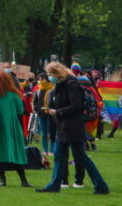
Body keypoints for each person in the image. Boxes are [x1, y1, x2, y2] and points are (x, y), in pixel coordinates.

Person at [37, 62, 109, 195]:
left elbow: (77, 106)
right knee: (60, 156)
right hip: (64, 127)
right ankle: (54, 185)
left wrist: (57, 112)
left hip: (72, 126)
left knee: (80, 157)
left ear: (57, 73)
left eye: (50, 74)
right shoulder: (61, 84)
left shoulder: (70, 84)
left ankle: (101, 185)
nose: (49, 77)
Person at [32, 73, 55, 156]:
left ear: (46, 79)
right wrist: (37, 109)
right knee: (44, 133)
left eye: (42, 79)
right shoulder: (38, 90)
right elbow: (35, 101)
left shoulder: (52, 88)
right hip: (41, 114)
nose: (40, 81)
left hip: (51, 114)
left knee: (52, 132)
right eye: (39, 79)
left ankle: (52, 150)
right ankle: (45, 150)